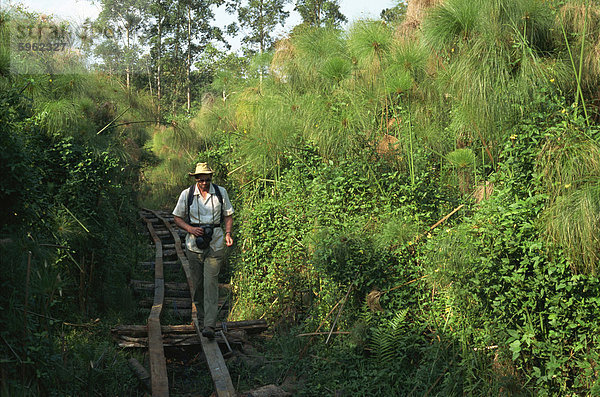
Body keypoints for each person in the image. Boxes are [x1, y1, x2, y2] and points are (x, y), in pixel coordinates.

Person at [172, 162, 234, 339]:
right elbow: (177, 217)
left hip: (215, 242)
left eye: (207, 179)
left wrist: (228, 233)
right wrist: (190, 229)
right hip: (194, 245)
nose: (204, 183)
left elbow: (228, 214)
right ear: (195, 179)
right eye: (201, 179)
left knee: (211, 283)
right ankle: (201, 317)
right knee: (198, 285)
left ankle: (209, 325)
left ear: (211, 178)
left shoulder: (220, 193)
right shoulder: (187, 194)